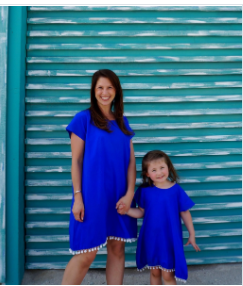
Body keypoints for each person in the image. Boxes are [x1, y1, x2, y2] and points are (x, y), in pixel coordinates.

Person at [61, 69, 138, 284]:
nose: (105, 92)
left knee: (117, 248)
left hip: (120, 196)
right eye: (100, 88)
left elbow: (131, 161)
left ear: (116, 91)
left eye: (110, 87)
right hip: (91, 197)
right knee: (86, 254)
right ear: (94, 91)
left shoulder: (123, 121)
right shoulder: (83, 119)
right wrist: (78, 197)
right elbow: (76, 161)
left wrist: (130, 194)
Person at [118, 150, 201, 284]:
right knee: (154, 272)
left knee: (168, 275)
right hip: (151, 238)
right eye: (154, 170)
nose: (159, 173)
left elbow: (185, 212)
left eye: (162, 168)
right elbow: (141, 213)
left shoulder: (176, 190)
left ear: (168, 167)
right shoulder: (144, 191)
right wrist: (127, 210)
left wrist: (192, 234)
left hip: (169, 239)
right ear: (147, 174)